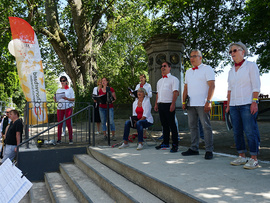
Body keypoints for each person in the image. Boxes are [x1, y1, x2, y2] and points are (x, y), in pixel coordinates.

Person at [226, 42, 260, 169]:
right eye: (230, 52)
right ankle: (241, 156)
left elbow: (256, 85)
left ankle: (254, 158)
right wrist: (228, 105)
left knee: (250, 131)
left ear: (242, 51)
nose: (232, 54)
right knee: (237, 132)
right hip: (234, 104)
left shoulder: (251, 66)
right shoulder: (230, 71)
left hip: (247, 103)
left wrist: (254, 101)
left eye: (234, 51)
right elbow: (229, 89)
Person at [182, 49, 215, 160]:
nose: (192, 58)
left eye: (194, 56)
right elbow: (185, 88)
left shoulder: (207, 69)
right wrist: (183, 101)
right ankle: (194, 148)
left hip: (202, 103)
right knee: (192, 127)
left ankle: (209, 150)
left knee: (206, 126)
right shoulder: (188, 72)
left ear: (200, 57)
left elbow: (212, 86)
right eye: (191, 56)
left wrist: (209, 101)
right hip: (191, 103)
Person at [154, 61, 179, 153]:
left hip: (169, 104)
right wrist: (156, 104)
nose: (163, 67)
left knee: (172, 125)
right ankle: (165, 142)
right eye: (161, 66)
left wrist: (173, 104)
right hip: (161, 104)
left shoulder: (174, 79)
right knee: (164, 125)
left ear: (169, 68)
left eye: (165, 66)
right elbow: (158, 93)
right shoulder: (159, 81)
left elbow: (175, 92)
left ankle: (175, 144)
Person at [54, 76, 75, 144]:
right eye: (61, 81)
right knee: (60, 124)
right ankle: (59, 139)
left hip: (68, 107)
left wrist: (67, 99)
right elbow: (56, 101)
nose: (62, 82)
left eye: (63, 80)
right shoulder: (58, 90)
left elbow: (73, 99)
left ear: (66, 81)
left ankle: (70, 139)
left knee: (69, 123)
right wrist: (55, 98)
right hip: (60, 108)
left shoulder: (70, 89)